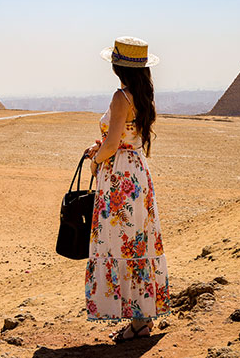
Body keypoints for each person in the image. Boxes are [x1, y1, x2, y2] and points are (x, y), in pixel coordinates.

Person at [83, 36, 171, 343]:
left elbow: (111, 143)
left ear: (118, 67)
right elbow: (126, 138)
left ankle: (138, 321)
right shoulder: (143, 96)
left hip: (120, 178)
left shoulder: (121, 97)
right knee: (138, 243)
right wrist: (104, 148)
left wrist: (95, 159)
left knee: (121, 244)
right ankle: (141, 319)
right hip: (137, 174)